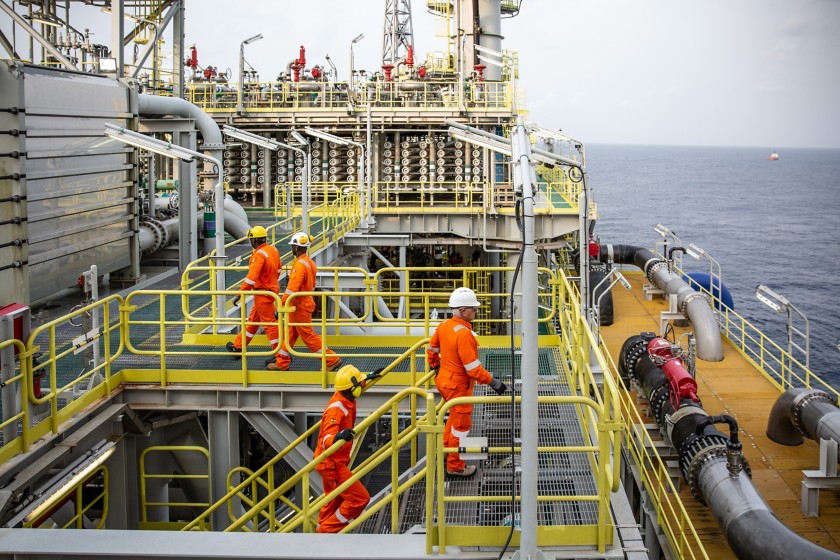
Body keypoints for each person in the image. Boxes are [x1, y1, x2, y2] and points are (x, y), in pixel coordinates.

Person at [426, 287, 507, 478]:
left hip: (444, 381)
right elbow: (473, 368)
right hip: (458, 387)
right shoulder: (464, 334)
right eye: (474, 308)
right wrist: (493, 382)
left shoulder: (444, 325)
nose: (476, 311)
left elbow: (432, 348)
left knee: (452, 420)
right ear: (463, 311)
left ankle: (446, 452)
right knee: (460, 428)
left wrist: (435, 365)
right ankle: (455, 466)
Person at [314, 364, 376, 533]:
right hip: (331, 463)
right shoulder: (336, 410)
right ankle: (327, 531)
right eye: (360, 384)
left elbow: (354, 384)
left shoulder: (344, 396)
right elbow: (326, 439)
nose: (362, 386)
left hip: (332, 461)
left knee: (333, 499)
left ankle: (321, 530)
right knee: (359, 499)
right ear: (351, 389)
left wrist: (368, 376)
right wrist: (338, 436)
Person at [268, 232, 342, 372]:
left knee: (308, 336)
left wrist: (281, 306)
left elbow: (291, 289)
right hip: (302, 303)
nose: (292, 248)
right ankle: (282, 362)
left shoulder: (299, 265)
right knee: (290, 334)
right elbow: (312, 285)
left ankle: (331, 359)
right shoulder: (310, 263)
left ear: (296, 248)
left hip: (299, 306)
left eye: (293, 246)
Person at [226, 226, 281, 356]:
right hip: (268, 291)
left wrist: (240, 293)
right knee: (253, 322)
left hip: (263, 293)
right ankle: (238, 346)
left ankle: (281, 355)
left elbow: (251, 278)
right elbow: (279, 269)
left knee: (270, 325)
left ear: (254, 240)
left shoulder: (259, 254)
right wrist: (270, 282)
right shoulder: (273, 249)